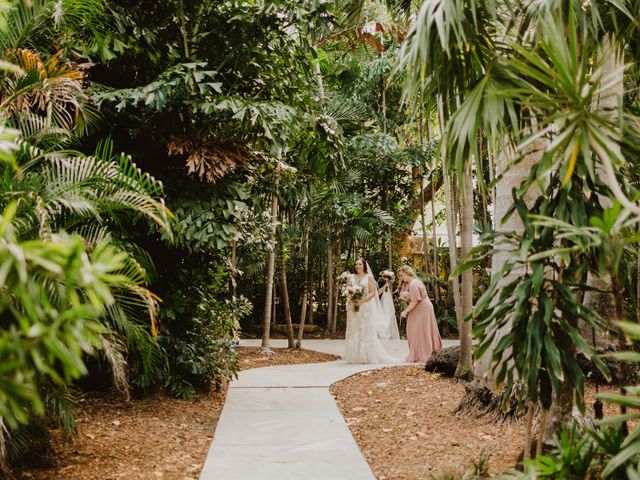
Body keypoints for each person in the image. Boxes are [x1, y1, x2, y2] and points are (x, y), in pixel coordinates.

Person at [344, 258, 394, 363]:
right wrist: (351, 300)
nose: (357, 266)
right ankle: (355, 357)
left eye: (360, 264)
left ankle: (366, 356)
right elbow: (347, 290)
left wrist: (362, 301)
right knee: (353, 330)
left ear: (364, 265)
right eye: (356, 264)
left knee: (365, 329)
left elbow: (372, 292)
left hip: (365, 307)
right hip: (352, 307)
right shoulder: (350, 277)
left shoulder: (369, 277)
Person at [398, 265, 442, 363]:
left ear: (406, 273)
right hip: (420, 308)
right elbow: (414, 298)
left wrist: (405, 311)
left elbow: (415, 301)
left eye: (401, 275)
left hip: (422, 309)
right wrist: (406, 296)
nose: (401, 278)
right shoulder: (413, 282)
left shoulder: (414, 283)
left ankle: (424, 354)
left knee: (420, 331)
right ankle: (419, 353)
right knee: (416, 330)